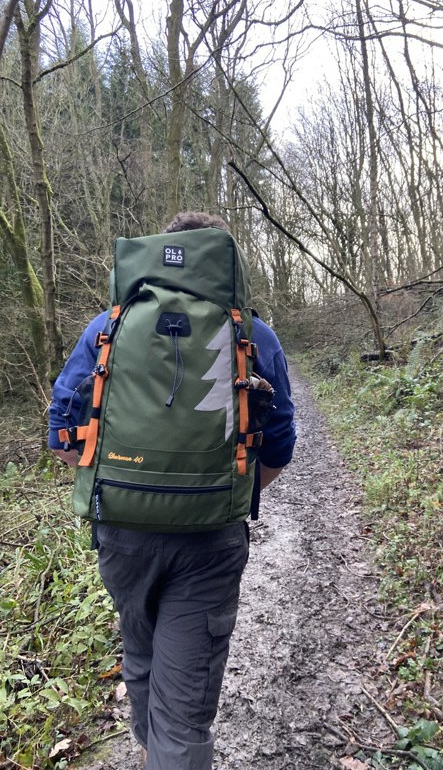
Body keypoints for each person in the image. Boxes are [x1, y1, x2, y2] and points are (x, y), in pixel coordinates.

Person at [48, 212, 296, 770]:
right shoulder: (253, 333)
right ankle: (165, 754)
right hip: (209, 543)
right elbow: (278, 447)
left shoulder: (108, 325)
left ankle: (148, 752)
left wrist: (124, 482)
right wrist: (220, 489)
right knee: (185, 712)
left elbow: (61, 434)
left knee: (139, 649)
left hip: (120, 533)